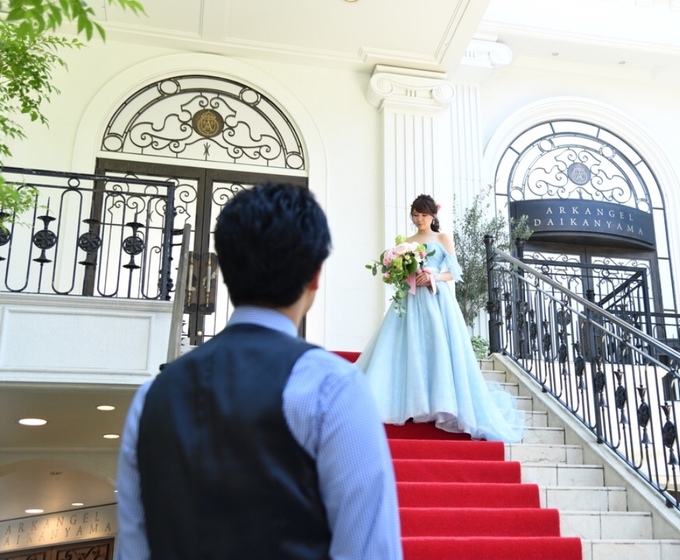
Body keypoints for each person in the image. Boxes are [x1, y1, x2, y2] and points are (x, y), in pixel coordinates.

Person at [115, 183, 403, 560]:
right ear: (315, 275)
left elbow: (132, 550)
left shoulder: (149, 398)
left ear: (225, 270)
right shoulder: (333, 387)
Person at [356, 194, 524, 443]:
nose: (419, 219)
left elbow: (454, 272)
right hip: (411, 299)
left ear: (433, 215)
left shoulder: (442, 238)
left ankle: (441, 403)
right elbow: (398, 276)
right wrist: (405, 273)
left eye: (424, 215)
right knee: (408, 346)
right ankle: (411, 401)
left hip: (437, 299)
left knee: (438, 347)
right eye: (415, 214)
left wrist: (432, 276)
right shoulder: (407, 243)